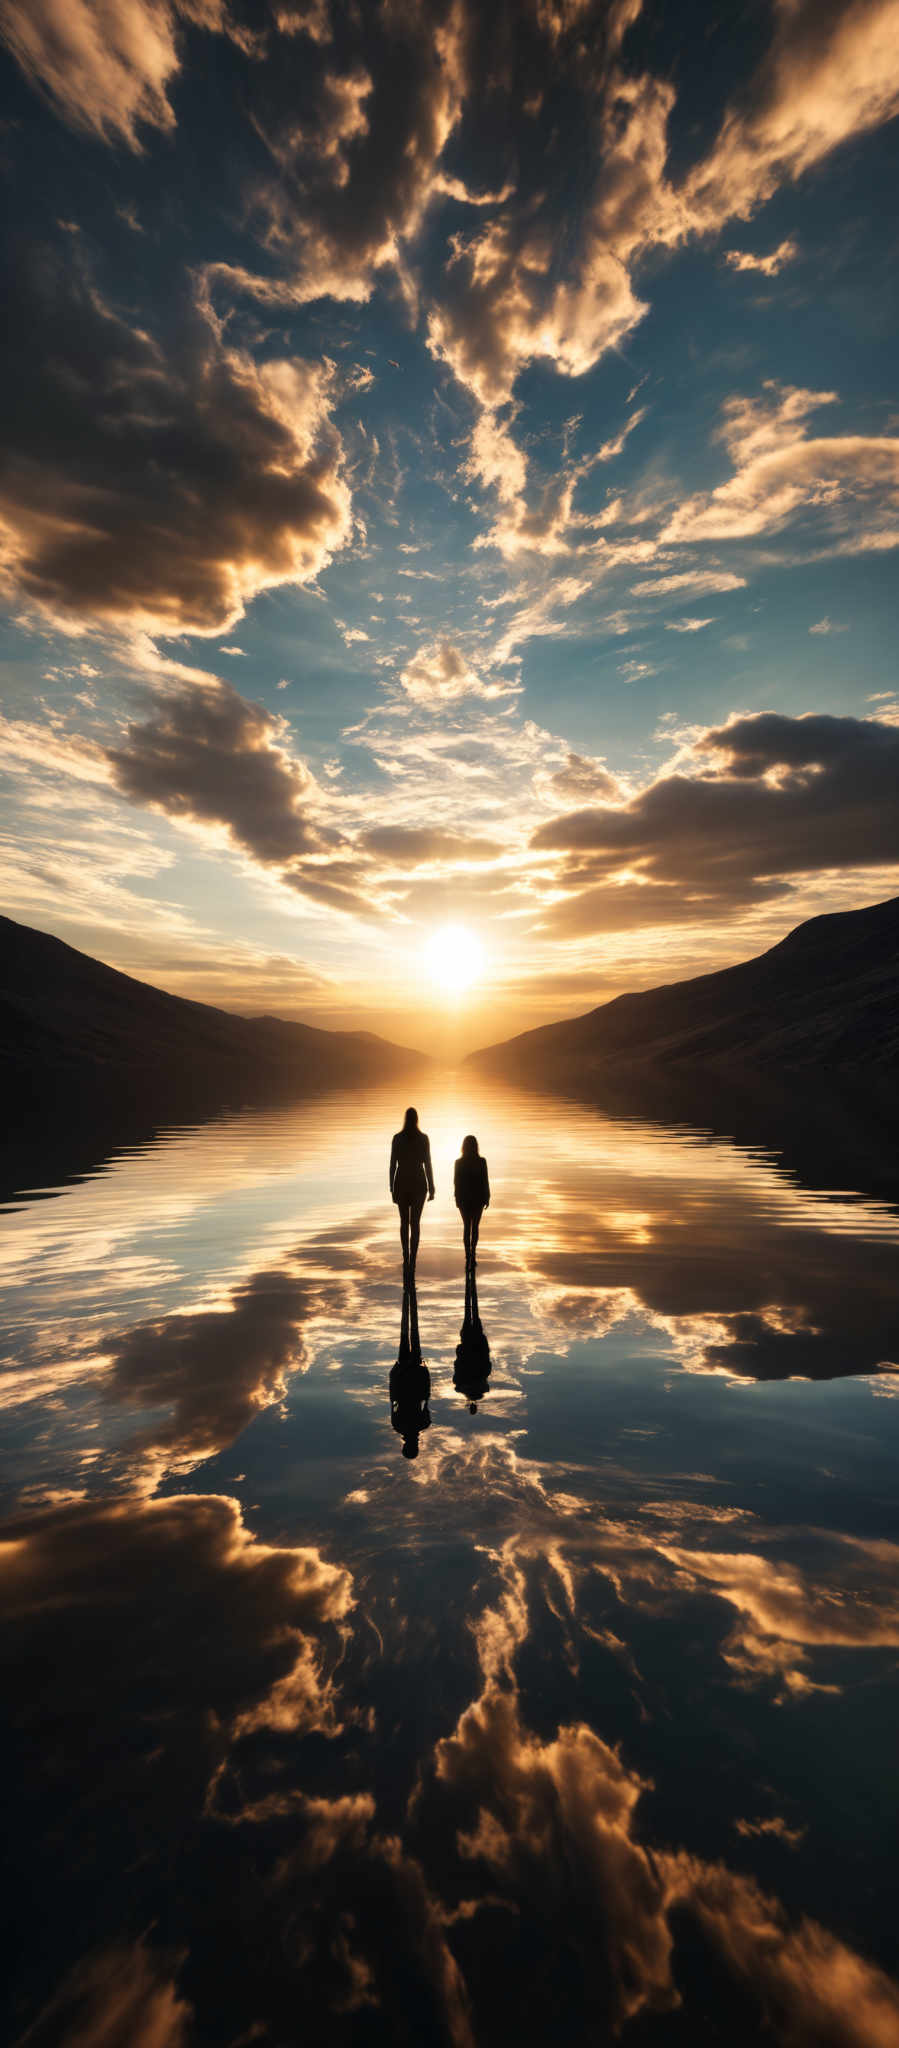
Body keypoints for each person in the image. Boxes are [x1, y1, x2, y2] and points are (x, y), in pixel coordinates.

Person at [389, 1106, 434, 1276]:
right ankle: (413, 1258)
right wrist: (432, 1187)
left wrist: (391, 1186)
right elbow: (428, 1164)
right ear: (416, 1120)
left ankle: (406, 1256)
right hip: (418, 1182)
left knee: (403, 1221)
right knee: (414, 1223)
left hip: (401, 1182)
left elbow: (393, 1164)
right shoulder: (423, 1139)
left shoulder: (397, 1139)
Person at [454, 1133, 490, 1269]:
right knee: (474, 1227)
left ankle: (468, 1254)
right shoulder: (482, 1161)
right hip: (478, 1198)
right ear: (476, 1146)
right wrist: (487, 1197)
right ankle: (473, 1254)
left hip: (464, 1198)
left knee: (466, 1227)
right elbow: (485, 1181)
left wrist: (457, 1198)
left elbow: (456, 1182)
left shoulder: (459, 1162)